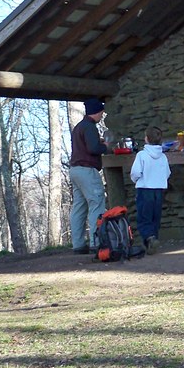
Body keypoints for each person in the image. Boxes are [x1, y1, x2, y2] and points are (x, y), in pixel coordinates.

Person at [70, 98, 109, 254]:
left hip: (75, 170)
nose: (102, 115)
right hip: (87, 171)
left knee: (79, 208)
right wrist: (104, 146)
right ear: (97, 112)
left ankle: (78, 244)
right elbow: (93, 148)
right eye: (101, 112)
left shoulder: (79, 127)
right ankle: (96, 242)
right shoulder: (90, 127)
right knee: (97, 204)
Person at [130, 126, 171, 255]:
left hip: (145, 188)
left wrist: (136, 180)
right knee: (155, 216)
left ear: (146, 139)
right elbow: (167, 173)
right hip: (158, 190)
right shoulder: (163, 157)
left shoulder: (142, 155)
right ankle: (152, 241)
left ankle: (149, 238)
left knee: (144, 216)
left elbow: (136, 172)